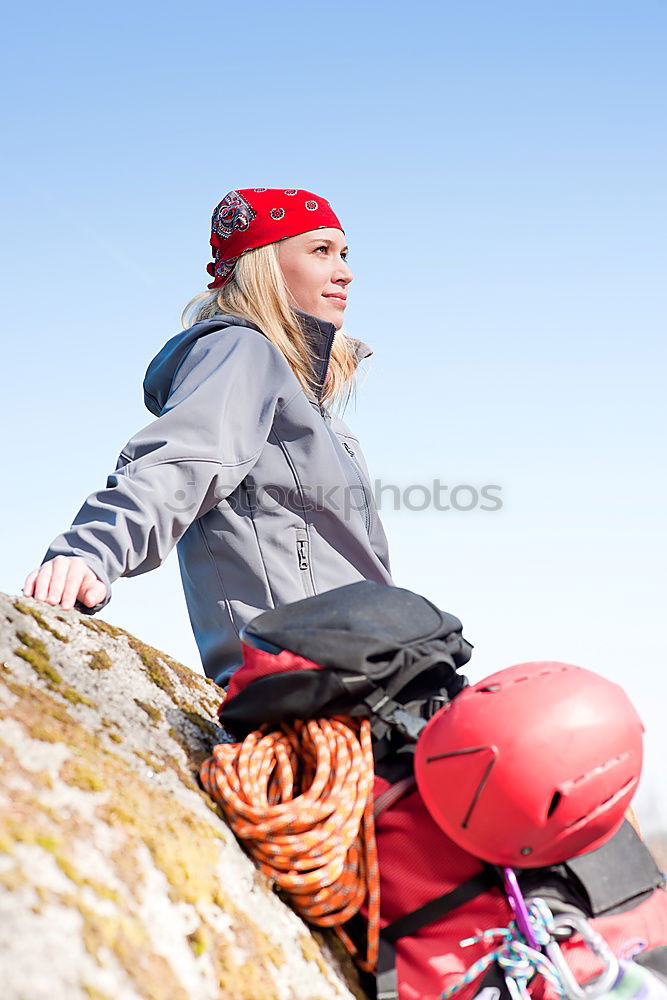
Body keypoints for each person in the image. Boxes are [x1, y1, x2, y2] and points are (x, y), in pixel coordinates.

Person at [23, 188, 393, 686]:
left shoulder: (326, 419)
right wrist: (91, 550)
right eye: (320, 251)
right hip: (304, 676)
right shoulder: (241, 352)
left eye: (344, 254)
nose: (345, 271)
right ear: (264, 264)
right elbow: (180, 463)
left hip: (370, 668)